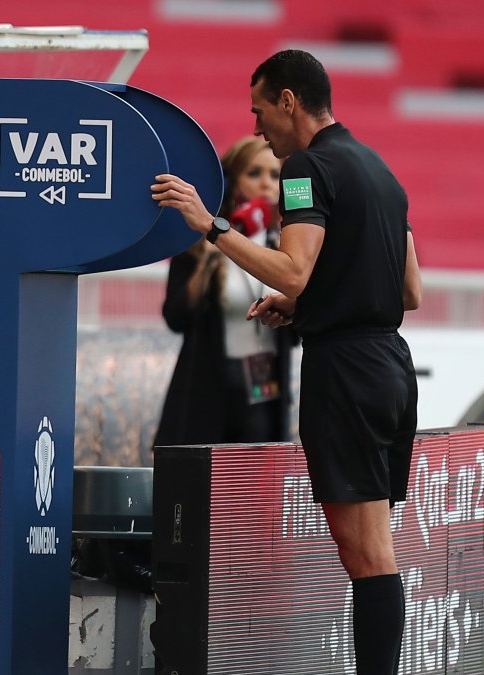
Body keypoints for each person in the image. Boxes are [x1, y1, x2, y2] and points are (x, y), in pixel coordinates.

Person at [152, 49, 421, 675]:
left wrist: (211, 224)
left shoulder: (303, 168)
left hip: (345, 374)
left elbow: (295, 270)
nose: (255, 129)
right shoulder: (381, 170)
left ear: (289, 102)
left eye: (259, 111)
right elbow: (408, 292)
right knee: (374, 551)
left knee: (366, 556)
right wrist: (303, 311)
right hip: (388, 365)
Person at [153, 136, 294, 449]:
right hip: (206, 393)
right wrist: (210, 257)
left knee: (252, 492)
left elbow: (297, 333)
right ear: (232, 182)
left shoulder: (287, 245)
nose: (266, 184)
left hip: (264, 394)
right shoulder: (202, 240)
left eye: (274, 175)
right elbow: (176, 317)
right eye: (254, 173)